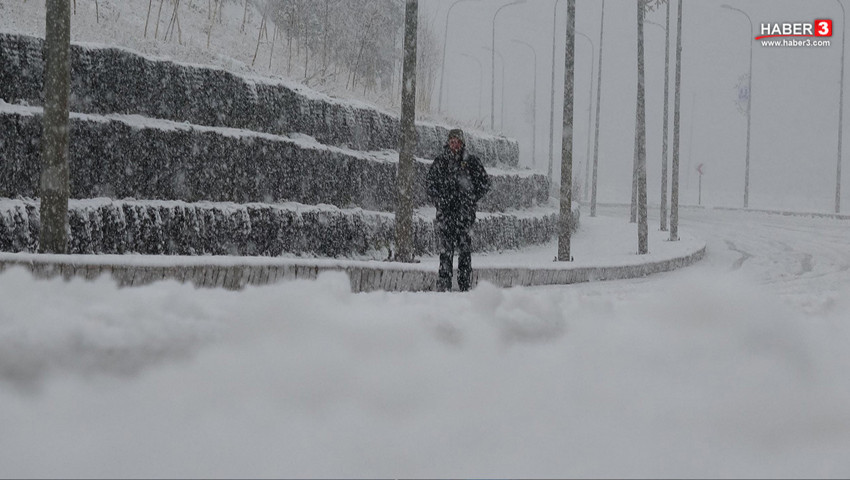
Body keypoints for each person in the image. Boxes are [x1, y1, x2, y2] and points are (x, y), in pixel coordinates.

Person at [426, 129, 491, 292]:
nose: (454, 145)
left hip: (464, 214)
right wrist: (439, 200)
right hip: (446, 213)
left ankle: (464, 283)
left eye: (457, 142)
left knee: (464, 250)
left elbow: (485, 183)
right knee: (446, 250)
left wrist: (471, 198)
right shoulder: (440, 162)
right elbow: (430, 184)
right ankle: (444, 282)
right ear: (448, 143)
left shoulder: (471, 162)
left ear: (462, 144)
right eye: (452, 142)